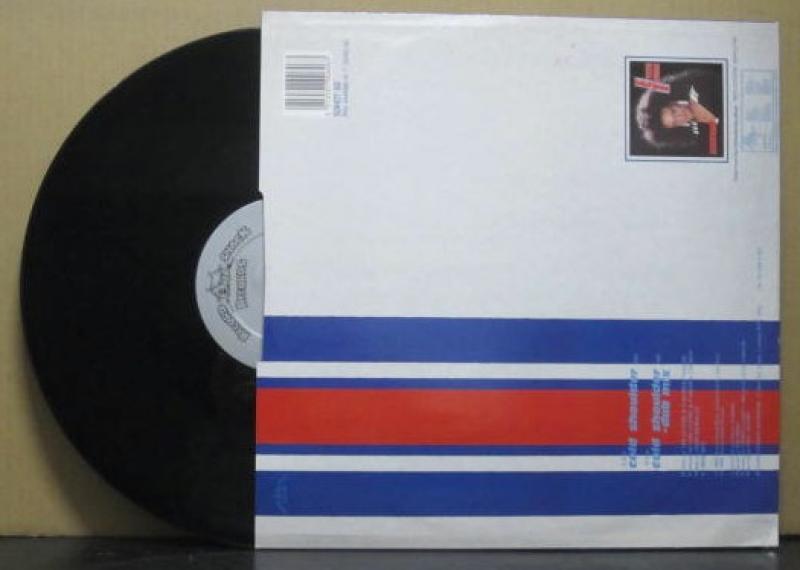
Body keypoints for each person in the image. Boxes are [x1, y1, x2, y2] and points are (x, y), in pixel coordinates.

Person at [633, 68, 722, 155]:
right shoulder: (700, 138)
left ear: (672, 102)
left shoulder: (700, 83)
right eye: (675, 122)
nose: (680, 116)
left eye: (674, 111)